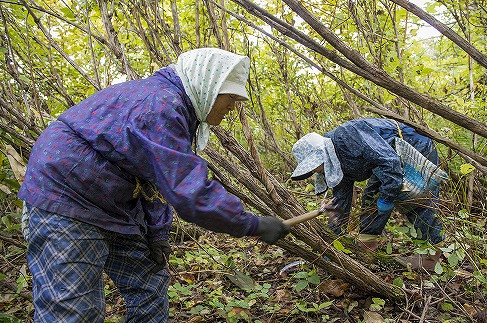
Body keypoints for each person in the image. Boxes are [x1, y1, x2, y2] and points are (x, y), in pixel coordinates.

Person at [18, 48, 290, 322]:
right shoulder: (160, 104)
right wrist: (251, 224)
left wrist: (157, 233)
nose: (233, 106)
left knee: (149, 287)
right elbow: (188, 190)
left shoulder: (171, 107)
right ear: (208, 85)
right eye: (230, 96)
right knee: (75, 312)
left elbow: (154, 181)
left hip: (114, 206)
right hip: (64, 199)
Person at [290, 118, 444, 270]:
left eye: (316, 166)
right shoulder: (334, 163)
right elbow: (342, 200)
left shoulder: (348, 136)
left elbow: (389, 161)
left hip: (412, 146)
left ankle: (431, 258)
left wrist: (387, 198)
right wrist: (331, 242)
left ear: (322, 155)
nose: (316, 171)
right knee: (371, 197)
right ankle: (366, 246)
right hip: (387, 162)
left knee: (416, 199)